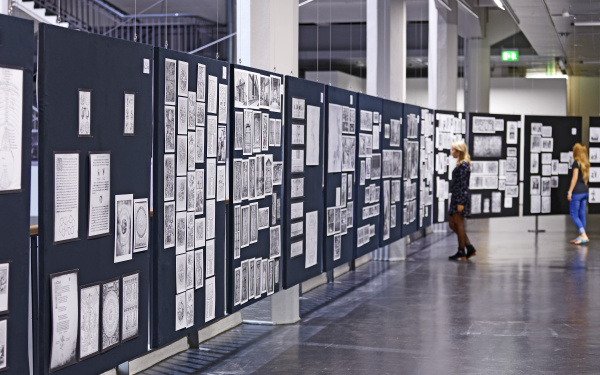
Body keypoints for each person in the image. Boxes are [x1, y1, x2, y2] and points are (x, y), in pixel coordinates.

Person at [448, 140, 476, 260]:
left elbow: (464, 186)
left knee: (458, 224)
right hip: (456, 197)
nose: (451, 152)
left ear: (459, 152)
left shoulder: (464, 166)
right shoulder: (460, 164)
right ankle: (469, 247)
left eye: (453, 150)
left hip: (460, 198)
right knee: (452, 223)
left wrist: (461, 202)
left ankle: (462, 251)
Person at [568, 143, 590, 244]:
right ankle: (581, 236)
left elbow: (575, 178)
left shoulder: (576, 163)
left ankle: (583, 235)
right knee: (582, 214)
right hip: (585, 191)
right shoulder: (585, 163)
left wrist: (570, 191)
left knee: (573, 214)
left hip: (577, 192)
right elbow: (585, 180)